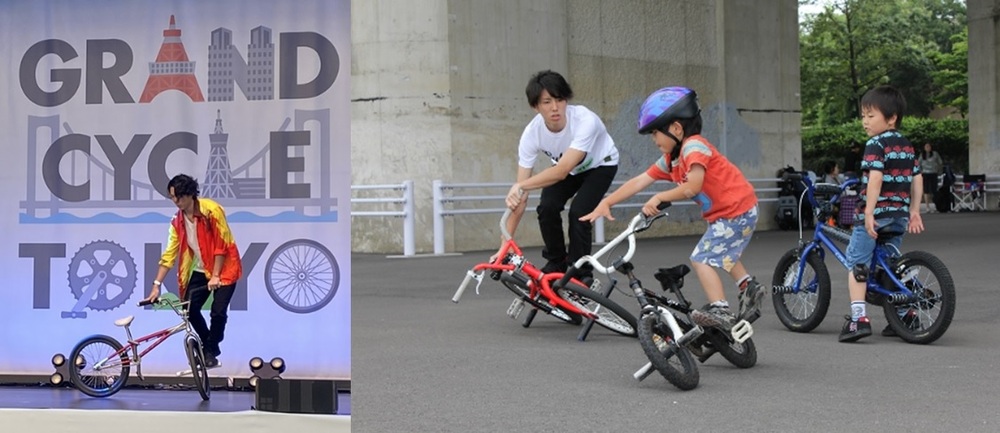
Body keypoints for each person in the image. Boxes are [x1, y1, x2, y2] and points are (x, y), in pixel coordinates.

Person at [579, 86, 764, 328]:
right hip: (734, 211)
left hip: (735, 211)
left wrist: (660, 197)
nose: (654, 139)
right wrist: (607, 202)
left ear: (676, 128)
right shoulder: (672, 160)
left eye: (656, 132)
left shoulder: (693, 147)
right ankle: (748, 287)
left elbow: (693, 186)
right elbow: (639, 181)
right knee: (723, 252)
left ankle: (721, 310)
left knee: (702, 258)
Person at [503, 70, 619, 279]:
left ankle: (580, 271)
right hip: (570, 168)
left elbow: (561, 171)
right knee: (547, 206)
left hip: (601, 164)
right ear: (535, 106)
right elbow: (521, 196)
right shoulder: (531, 134)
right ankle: (556, 262)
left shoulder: (585, 120)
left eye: (559, 100)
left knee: (579, 212)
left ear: (567, 100)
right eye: (547, 102)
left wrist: (520, 186)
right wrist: (504, 244)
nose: (555, 108)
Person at [839, 85, 923, 343]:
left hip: (876, 215)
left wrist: (868, 213)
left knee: (858, 264)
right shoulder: (906, 145)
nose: (865, 121)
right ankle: (904, 316)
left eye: (871, 115)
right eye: (863, 116)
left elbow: (875, 179)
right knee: (891, 267)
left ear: (891, 117)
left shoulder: (875, 143)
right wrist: (914, 210)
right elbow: (917, 178)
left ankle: (858, 319)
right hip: (898, 216)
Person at [144, 174, 243, 367]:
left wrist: (216, 276)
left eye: (179, 196)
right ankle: (209, 348)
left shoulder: (211, 210)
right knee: (188, 308)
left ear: (190, 193)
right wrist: (156, 285)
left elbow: (221, 245)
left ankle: (210, 349)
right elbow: (169, 254)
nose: (176, 201)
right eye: (172, 197)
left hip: (225, 268)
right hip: (202, 268)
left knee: (218, 311)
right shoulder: (177, 221)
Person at [918, 142, 943, 213]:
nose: (927, 148)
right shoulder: (922, 155)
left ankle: (937, 205)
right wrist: (920, 172)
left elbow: (940, 162)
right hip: (925, 173)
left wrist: (938, 170)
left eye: (929, 146)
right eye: (926, 147)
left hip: (933, 173)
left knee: (934, 189)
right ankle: (927, 206)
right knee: (926, 190)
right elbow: (918, 164)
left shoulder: (935, 154)